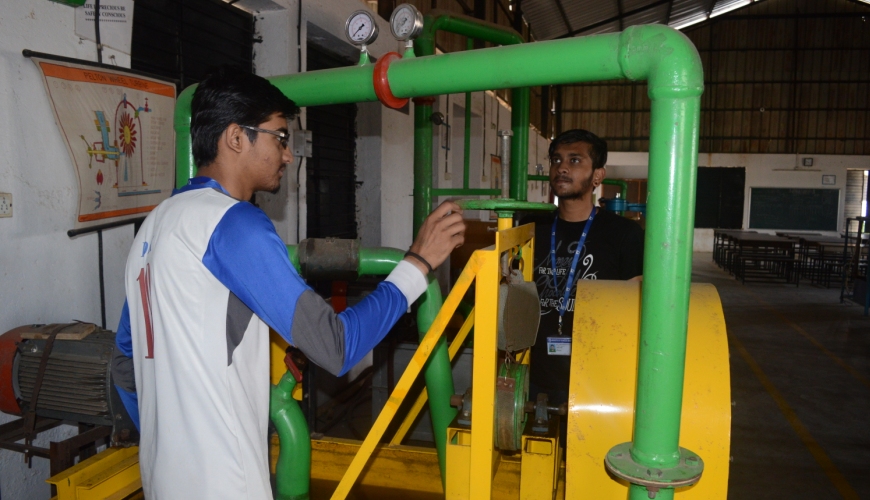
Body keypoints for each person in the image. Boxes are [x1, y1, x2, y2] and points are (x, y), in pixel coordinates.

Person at [110, 67, 465, 499]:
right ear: (236, 138)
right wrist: (416, 264)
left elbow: (125, 365)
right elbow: (335, 346)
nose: (288, 155)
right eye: (279, 137)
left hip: (162, 481)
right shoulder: (233, 223)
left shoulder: (153, 225)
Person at [520, 128, 643, 424]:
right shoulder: (530, 227)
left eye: (575, 160)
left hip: (596, 379)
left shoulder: (624, 234)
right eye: (557, 160)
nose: (562, 167)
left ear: (598, 176)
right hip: (532, 372)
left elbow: (635, 308)